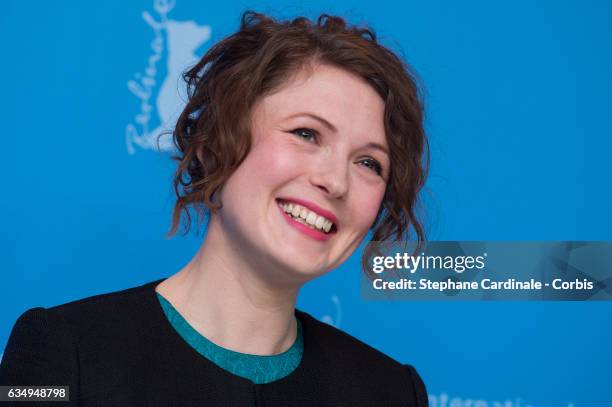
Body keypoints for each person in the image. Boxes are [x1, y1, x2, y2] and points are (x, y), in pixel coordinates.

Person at [1, 11, 429, 406]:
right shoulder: (60, 350)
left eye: (369, 162)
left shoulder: (392, 392)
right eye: (306, 133)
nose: (335, 181)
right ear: (213, 145)